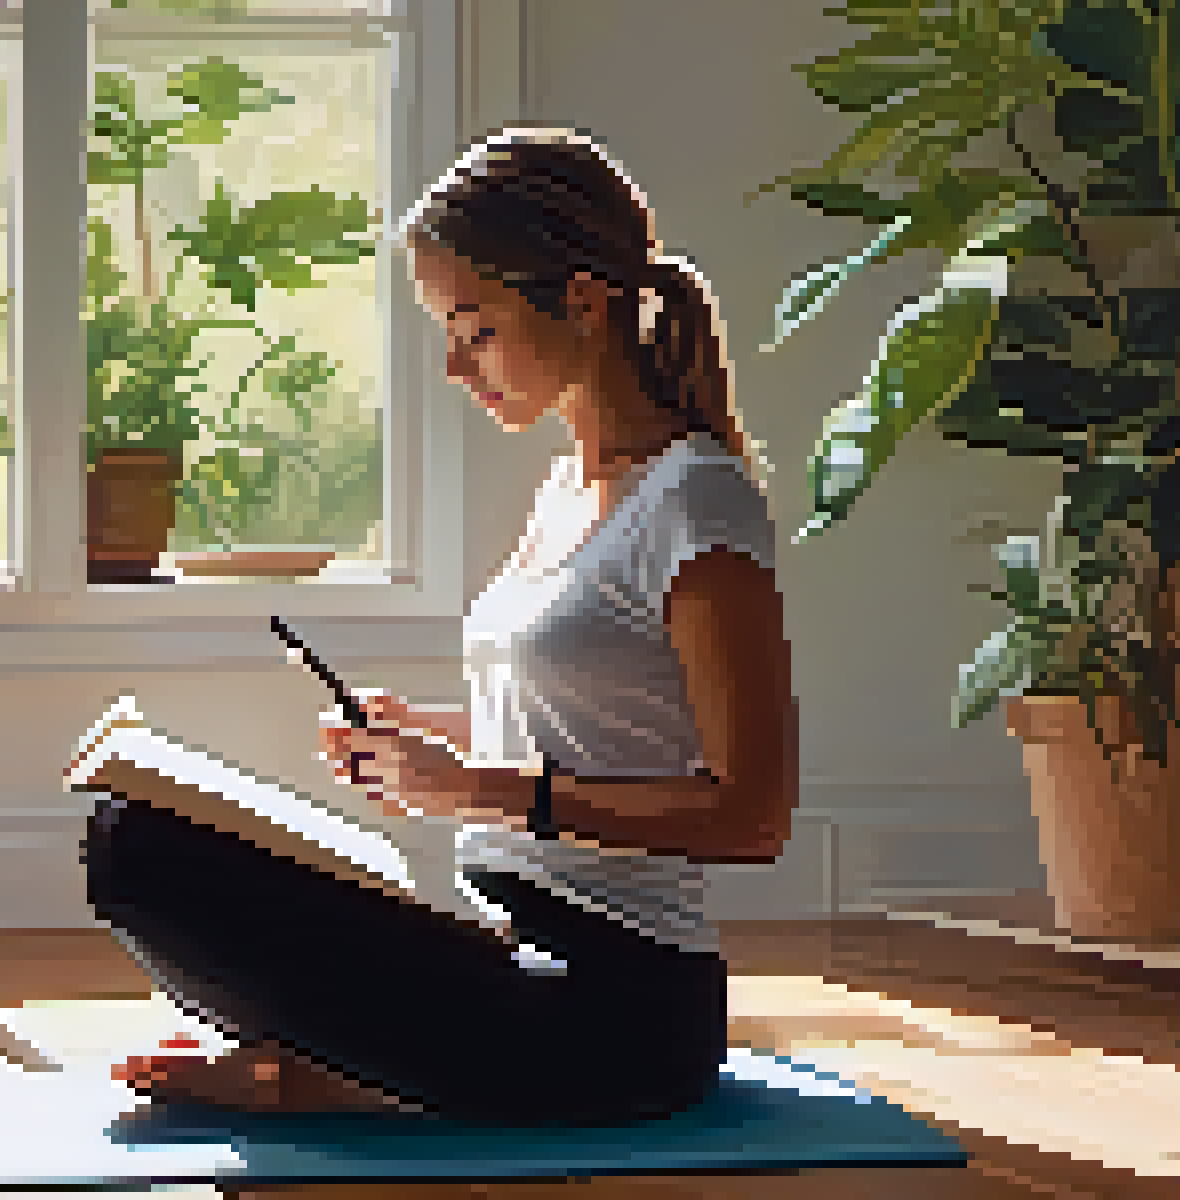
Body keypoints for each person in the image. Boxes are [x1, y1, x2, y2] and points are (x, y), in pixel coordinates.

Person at [82, 126, 800, 1126]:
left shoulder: (699, 505)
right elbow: (598, 719)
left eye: (476, 328)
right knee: (134, 835)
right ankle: (331, 1058)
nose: (457, 367)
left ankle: (322, 1066)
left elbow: (753, 813)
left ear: (583, 302)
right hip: (496, 931)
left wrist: (478, 791)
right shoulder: (567, 488)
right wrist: (429, 732)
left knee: (142, 863)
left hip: (620, 998)